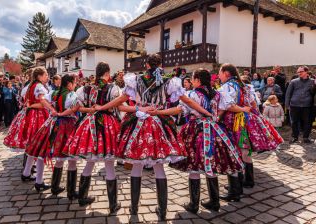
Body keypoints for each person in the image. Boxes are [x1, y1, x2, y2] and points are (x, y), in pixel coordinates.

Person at [94, 54, 211, 220]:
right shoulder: (169, 81)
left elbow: (121, 99)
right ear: (160, 64)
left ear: (146, 64)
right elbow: (186, 102)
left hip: (138, 122)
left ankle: (134, 209)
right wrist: (206, 112)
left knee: (136, 165)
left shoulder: (136, 80)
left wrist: (101, 107)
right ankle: (162, 211)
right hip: (159, 123)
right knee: (159, 167)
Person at [150, 69, 244, 214]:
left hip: (197, 129)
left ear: (198, 80)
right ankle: (214, 201)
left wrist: (159, 112)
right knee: (211, 164)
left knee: (194, 164)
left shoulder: (193, 94)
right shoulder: (218, 94)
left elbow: (179, 109)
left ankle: (194, 204)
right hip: (215, 129)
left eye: (193, 79)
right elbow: (223, 109)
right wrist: (214, 117)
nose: (192, 81)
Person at [62, 62, 123, 213]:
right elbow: (116, 107)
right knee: (109, 163)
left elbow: (77, 107)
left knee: (90, 161)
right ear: (107, 73)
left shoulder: (85, 88)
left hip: (89, 123)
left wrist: (91, 109)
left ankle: (82, 197)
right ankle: (113, 203)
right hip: (107, 125)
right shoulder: (113, 88)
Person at [218, 63, 283, 202]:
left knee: (236, 151)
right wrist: (256, 117)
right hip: (248, 121)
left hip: (235, 122)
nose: (218, 75)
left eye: (220, 72)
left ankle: (237, 187)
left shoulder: (227, 87)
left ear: (226, 74)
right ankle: (247, 181)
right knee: (244, 151)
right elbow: (253, 103)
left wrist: (238, 111)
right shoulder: (246, 86)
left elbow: (229, 106)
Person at [25, 74, 80, 199]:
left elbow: (42, 99)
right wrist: (61, 113)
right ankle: (71, 192)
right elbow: (74, 108)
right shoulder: (72, 95)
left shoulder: (54, 92)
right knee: (71, 158)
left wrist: (52, 110)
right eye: (75, 83)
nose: (75, 85)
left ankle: (55, 187)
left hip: (54, 123)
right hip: (68, 124)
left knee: (59, 157)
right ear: (70, 84)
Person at [4, 67, 52, 170]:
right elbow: (42, 103)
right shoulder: (39, 86)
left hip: (29, 114)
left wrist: (30, 105)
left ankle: (27, 170)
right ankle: (33, 172)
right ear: (39, 76)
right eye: (46, 74)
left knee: (31, 141)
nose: (47, 76)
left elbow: (27, 101)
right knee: (38, 142)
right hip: (38, 115)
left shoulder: (30, 86)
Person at [285, 66, 315, 144]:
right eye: (298, 72)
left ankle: (306, 137)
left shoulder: (312, 81)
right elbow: (288, 93)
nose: (299, 73)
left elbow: (313, 93)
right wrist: (287, 105)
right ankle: (295, 137)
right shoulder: (293, 81)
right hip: (294, 105)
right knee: (294, 122)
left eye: (301, 71)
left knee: (308, 122)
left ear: (306, 72)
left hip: (307, 106)